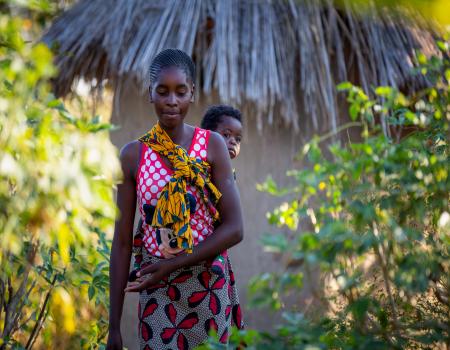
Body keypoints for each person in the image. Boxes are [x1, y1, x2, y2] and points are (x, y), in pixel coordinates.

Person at [106, 49, 244, 350]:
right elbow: (121, 243)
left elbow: (235, 228)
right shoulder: (133, 155)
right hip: (158, 288)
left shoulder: (213, 146)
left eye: (180, 92)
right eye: (163, 91)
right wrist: (113, 326)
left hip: (209, 284)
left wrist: (175, 263)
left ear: (192, 93)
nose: (172, 101)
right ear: (150, 94)